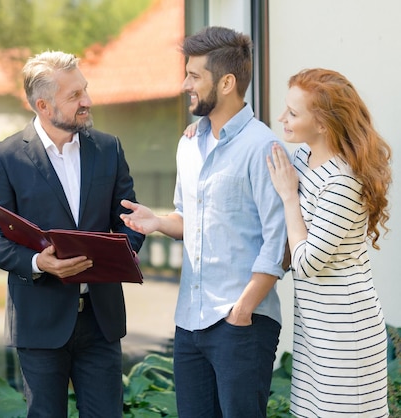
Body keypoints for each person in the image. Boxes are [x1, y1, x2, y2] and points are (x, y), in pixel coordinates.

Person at [120, 26, 288, 417]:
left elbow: (278, 243)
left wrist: (241, 311)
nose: (184, 85)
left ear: (226, 82)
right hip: (190, 323)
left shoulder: (262, 146)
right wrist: (160, 222)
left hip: (241, 324)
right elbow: (189, 218)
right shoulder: (189, 144)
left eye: (194, 75)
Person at [0, 50, 144, 417]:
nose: (87, 101)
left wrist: (117, 258)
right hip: (40, 322)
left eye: (84, 90)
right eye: (74, 96)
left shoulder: (109, 149)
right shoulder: (4, 157)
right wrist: (39, 263)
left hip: (101, 320)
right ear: (43, 105)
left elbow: (130, 221)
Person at [266, 68, 391, 417]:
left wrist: (290, 197)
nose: (282, 118)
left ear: (322, 124)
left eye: (293, 113)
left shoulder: (342, 182)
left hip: (345, 333)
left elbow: (305, 263)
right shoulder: (303, 159)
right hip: (314, 330)